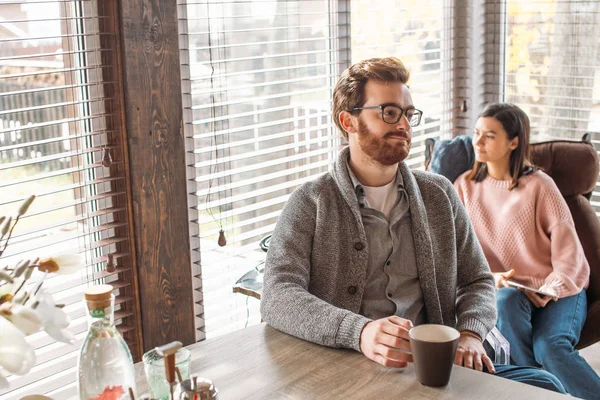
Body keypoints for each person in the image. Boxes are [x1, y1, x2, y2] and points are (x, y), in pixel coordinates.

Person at [261, 57, 565, 393]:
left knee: (546, 385)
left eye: (408, 113)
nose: (404, 124)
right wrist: (359, 332)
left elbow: (477, 279)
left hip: (433, 371)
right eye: (389, 112)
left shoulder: (439, 195)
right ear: (348, 120)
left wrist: (469, 334)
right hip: (348, 373)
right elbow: (277, 295)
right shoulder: (310, 202)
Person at [454, 102, 600, 399]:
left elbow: (570, 256)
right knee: (505, 299)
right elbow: (459, 254)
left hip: (559, 290)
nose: (477, 142)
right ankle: (537, 390)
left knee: (550, 347)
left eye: (489, 136)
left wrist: (550, 288)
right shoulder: (464, 188)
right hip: (508, 290)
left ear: (514, 141)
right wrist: (494, 277)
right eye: (476, 133)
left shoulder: (539, 186)